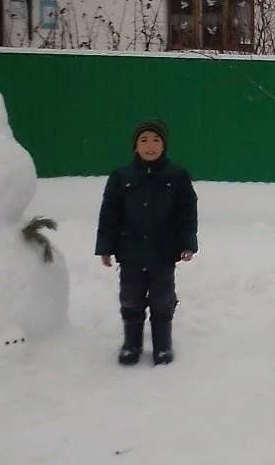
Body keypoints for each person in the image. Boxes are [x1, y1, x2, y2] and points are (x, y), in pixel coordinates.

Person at [96, 119, 198, 366]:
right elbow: (109, 213)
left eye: (156, 140)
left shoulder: (177, 176)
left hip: (163, 252)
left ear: (164, 145)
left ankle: (163, 346)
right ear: (135, 146)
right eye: (144, 140)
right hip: (130, 251)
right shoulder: (122, 177)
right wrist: (105, 247)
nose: (150, 146)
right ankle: (132, 344)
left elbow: (187, 212)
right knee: (131, 300)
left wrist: (188, 242)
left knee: (162, 300)